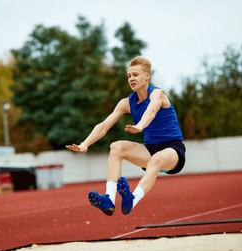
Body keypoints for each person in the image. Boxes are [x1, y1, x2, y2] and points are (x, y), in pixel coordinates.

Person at [66, 56, 185, 216]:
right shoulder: (126, 103)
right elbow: (104, 125)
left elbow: (151, 111)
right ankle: (109, 199)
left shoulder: (157, 94)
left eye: (135, 75)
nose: (131, 79)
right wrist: (85, 143)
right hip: (149, 150)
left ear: (147, 76)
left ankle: (132, 200)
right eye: (129, 76)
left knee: (156, 160)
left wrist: (140, 126)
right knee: (116, 147)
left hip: (173, 149)